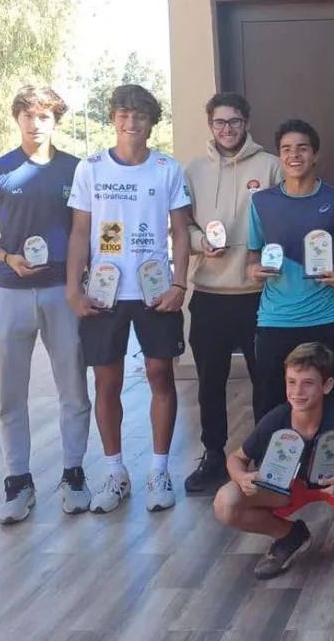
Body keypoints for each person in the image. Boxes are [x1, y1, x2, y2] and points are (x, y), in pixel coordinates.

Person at [0, 85, 92, 524]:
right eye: (29, 116)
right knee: (8, 395)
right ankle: (18, 481)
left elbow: (87, 232)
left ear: (57, 121)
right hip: (9, 293)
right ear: (17, 118)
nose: (36, 124)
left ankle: (73, 475)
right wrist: (4, 257)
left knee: (74, 388)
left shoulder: (77, 170)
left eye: (45, 117)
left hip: (63, 293)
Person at [66, 84, 191, 514]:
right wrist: (72, 287)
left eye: (139, 115)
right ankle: (116, 472)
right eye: (122, 113)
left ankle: (159, 469)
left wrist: (180, 285)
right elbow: (80, 231)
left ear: (151, 121)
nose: (130, 122)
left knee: (160, 374)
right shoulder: (91, 168)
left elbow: (179, 231)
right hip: (105, 293)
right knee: (107, 382)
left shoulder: (166, 168)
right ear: (113, 118)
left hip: (155, 291)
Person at [213, 342, 334, 580]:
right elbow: (237, 457)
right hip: (286, 487)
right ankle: (289, 536)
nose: (297, 392)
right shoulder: (276, 419)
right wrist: (241, 477)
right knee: (225, 502)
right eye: (291, 382)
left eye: (307, 383)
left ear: (327, 385)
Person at [182, 92, 283, 494]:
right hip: (209, 293)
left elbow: (281, 221)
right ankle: (212, 456)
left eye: (235, 121)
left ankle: (264, 455)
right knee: (210, 383)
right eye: (220, 122)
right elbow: (183, 226)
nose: (228, 129)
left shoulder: (271, 166)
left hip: (259, 295)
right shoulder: (193, 170)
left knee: (267, 380)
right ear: (210, 125)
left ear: (247, 122)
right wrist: (198, 241)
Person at [247, 119, 334, 419]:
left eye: (302, 148)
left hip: (329, 316)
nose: (294, 155)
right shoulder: (261, 202)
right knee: (271, 401)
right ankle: (271, 461)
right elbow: (252, 252)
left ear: (315, 154)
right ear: (279, 156)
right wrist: (253, 269)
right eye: (286, 149)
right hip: (277, 319)